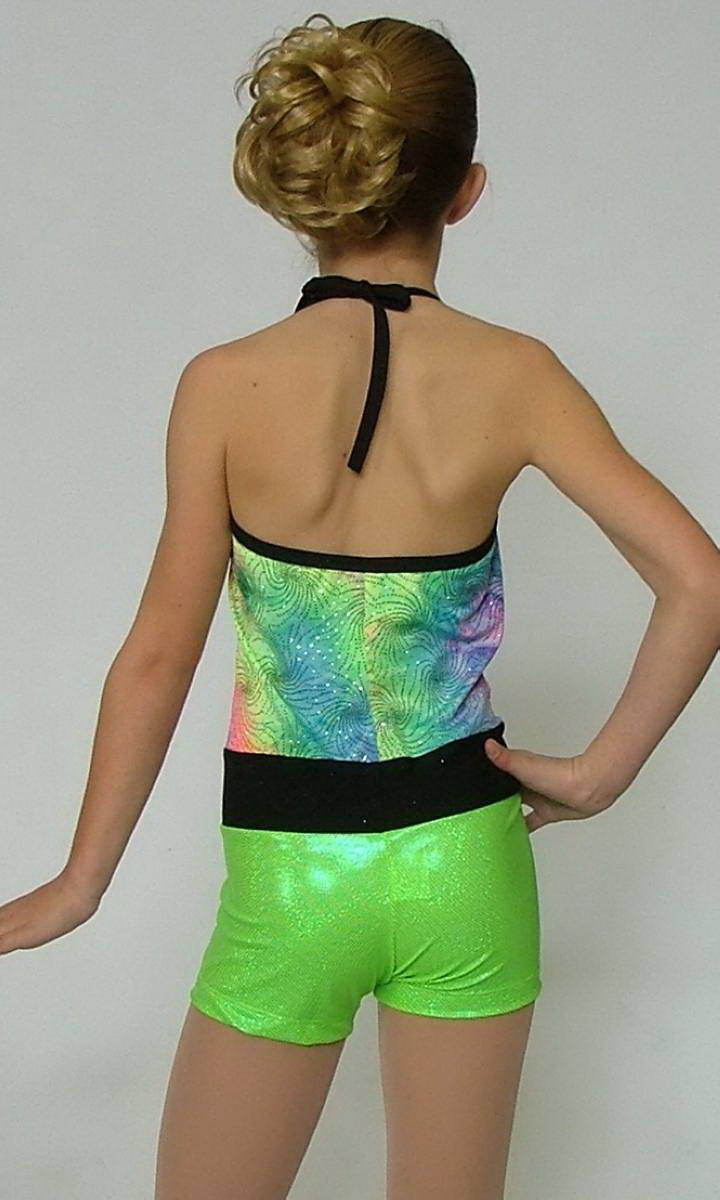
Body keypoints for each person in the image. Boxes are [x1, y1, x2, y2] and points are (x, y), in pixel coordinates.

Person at [2, 12, 719, 1200]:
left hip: (292, 880)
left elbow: (158, 655)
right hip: (466, 863)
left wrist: (83, 879)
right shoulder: (520, 376)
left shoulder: (224, 385)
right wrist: (599, 775)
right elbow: (699, 579)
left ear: (308, 195)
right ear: (466, 190)